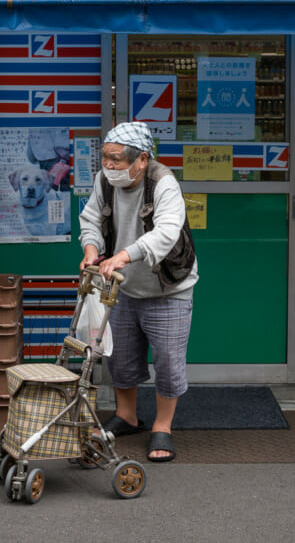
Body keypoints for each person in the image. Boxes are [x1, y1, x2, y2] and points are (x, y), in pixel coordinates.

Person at [78, 121, 198, 463]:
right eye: (105, 157)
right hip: (123, 287)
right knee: (121, 358)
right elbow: (90, 220)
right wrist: (91, 250)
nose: (109, 165)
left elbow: (168, 231)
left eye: (117, 158)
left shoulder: (163, 183)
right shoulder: (105, 182)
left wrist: (124, 254)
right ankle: (128, 416)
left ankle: (163, 426)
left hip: (167, 289)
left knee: (168, 362)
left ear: (142, 159)